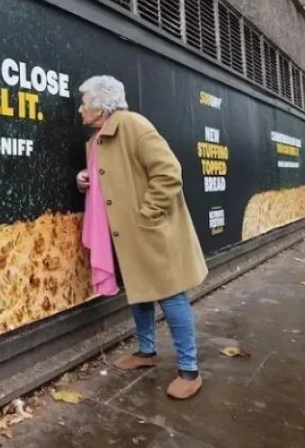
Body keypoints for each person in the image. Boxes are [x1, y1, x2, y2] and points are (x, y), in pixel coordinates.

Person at [75, 75, 208, 400]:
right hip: (126, 236)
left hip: (151, 231)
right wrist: (84, 178)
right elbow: (108, 177)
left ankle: (190, 371)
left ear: (101, 105)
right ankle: (147, 352)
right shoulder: (97, 140)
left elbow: (168, 172)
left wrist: (147, 216)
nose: (80, 109)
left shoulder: (133, 125)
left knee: (171, 295)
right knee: (140, 291)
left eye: (84, 102)